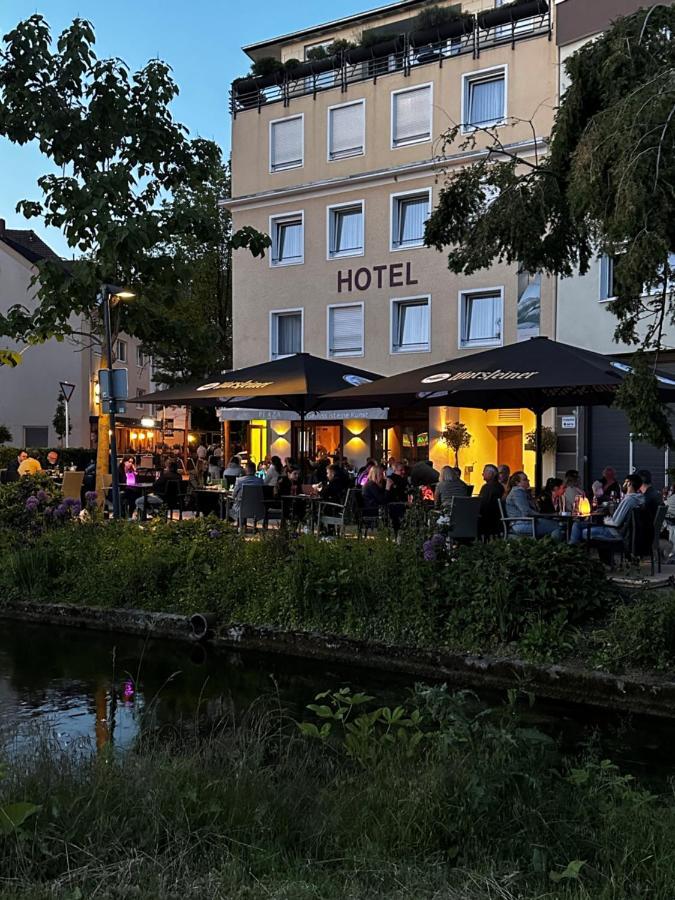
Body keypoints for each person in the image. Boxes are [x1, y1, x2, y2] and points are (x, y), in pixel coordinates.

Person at [570, 473, 644, 545]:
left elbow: (616, 523)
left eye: (625, 482)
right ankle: (575, 550)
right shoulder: (637, 499)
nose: (623, 484)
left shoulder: (629, 500)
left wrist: (606, 520)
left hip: (613, 532)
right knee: (577, 525)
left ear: (629, 483)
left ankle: (573, 552)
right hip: (614, 529)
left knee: (582, 532)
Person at [505, 471, 562, 540]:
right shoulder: (518, 492)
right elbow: (526, 511)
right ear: (517, 483)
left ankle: (549, 546)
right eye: (525, 479)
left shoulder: (522, 492)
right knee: (558, 526)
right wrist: (544, 516)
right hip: (522, 523)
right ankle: (554, 547)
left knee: (556, 524)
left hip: (526, 522)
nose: (528, 480)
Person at [477, 464, 504, 539]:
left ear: (491, 474)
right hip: (497, 519)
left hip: (487, 520)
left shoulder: (487, 487)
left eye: (484, 472)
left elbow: (482, 504)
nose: (482, 474)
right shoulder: (500, 487)